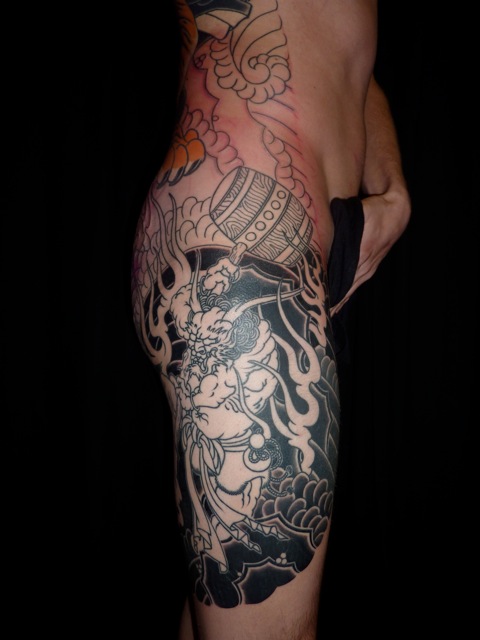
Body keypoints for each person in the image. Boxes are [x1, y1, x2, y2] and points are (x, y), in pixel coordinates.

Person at [131, 1, 411, 638]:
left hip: (300, 269)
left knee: (222, 603)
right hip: (235, 262)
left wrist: (393, 189)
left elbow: (355, 71)